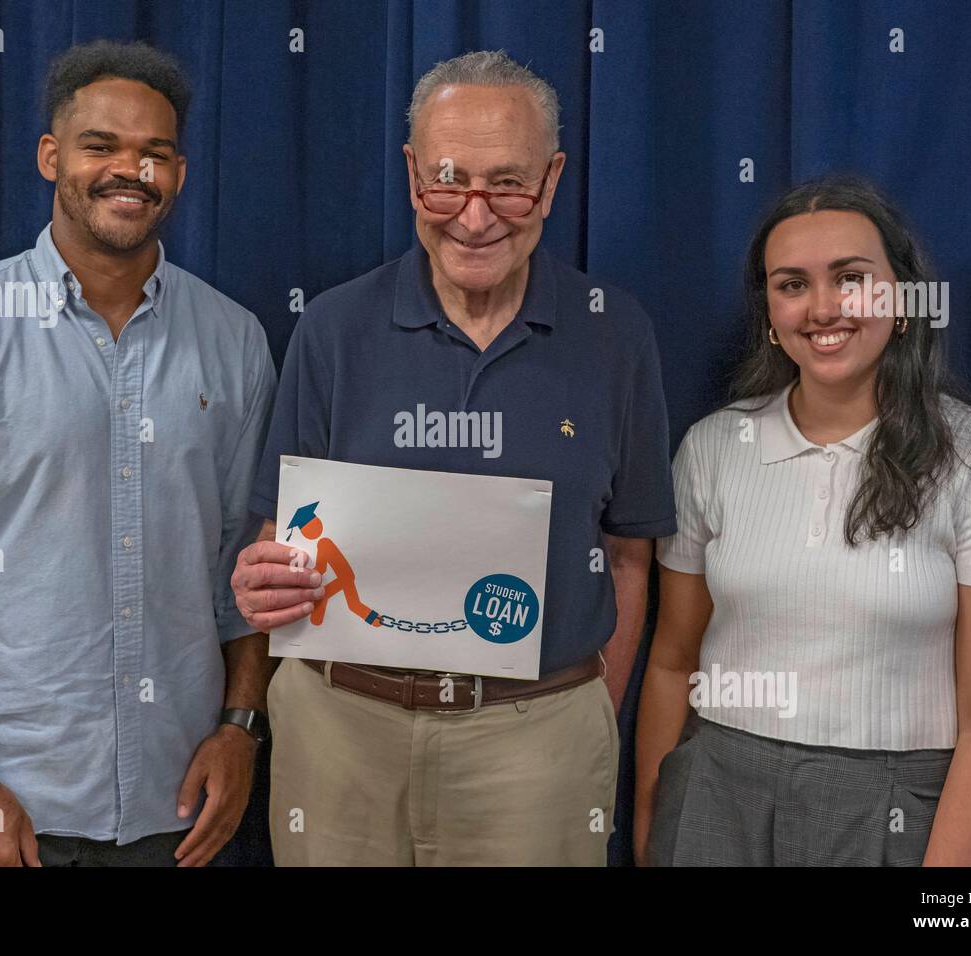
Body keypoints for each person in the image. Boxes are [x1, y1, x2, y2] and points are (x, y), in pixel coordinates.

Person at [230, 50, 675, 866]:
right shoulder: (331, 329)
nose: (475, 216)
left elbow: (629, 555)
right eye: (447, 180)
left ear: (552, 180)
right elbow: (282, 532)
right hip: (340, 736)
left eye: (507, 182)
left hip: (537, 742)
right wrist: (260, 581)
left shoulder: (617, 333)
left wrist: (581, 715)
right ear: (410, 178)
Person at [0, 40, 276, 867]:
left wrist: (241, 728)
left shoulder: (235, 342)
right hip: (7, 805)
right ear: (52, 158)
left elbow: (250, 562)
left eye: (155, 152)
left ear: (180, 174)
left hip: (177, 803)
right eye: (102, 146)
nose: (132, 170)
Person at [635, 176, 971, 866]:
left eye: (851, 278)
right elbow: (673, 661)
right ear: (770, 313)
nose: (823, 307)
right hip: (715, 795)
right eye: (792, 284)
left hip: (893, 811)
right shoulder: (712, 448)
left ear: (902, 299)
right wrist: (655, 831)